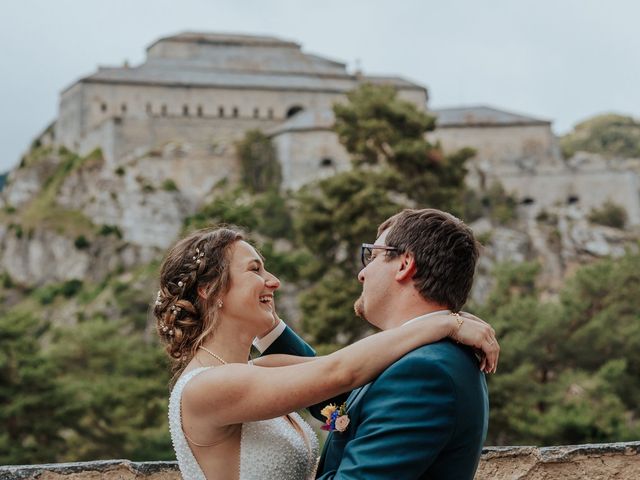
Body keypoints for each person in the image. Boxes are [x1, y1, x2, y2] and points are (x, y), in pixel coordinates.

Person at [155, 225, 498, 480]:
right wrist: (443, 324)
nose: (274, 280)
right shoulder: (205, 389)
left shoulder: (266, 366)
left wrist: (260, 315)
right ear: (208, 289)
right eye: (255, 269)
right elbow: (339, 372)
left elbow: (349, 386)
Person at [261, 208, 492, 479]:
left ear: (405, 264)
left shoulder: (424, 373)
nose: (362, 273)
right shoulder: (420, 360)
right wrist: (265, 328)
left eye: (373, 256)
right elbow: (337, 400)